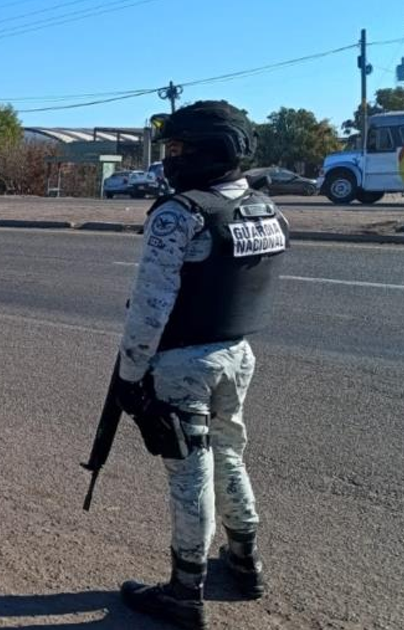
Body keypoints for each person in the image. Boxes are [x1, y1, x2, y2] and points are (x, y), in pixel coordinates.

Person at [114, 101, 288, 629]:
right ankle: (245, 562)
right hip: (237, 355)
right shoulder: (267, 210)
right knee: (230, 453)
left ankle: (185, 590)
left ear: (212, 150)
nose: (171, 160)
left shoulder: (179, 213)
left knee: (190, 475)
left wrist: (129, 376)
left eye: (179, 149)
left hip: (183, 362)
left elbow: (150, 307)